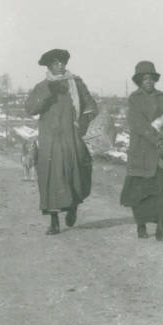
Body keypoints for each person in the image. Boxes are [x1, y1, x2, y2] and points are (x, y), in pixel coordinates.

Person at [25, 49, 98, 235]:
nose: (61, 66)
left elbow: (91, 107)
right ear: (49, 66)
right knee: (51, 177)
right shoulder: (42, 86)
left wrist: (81, 125)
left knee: (77, 171)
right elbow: (31, 108)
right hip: (49, 139)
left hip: (71, 136)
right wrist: (50, 91)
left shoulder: (76, 84)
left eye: (63, 62)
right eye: (56, 63)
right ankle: (54, 220)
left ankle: (73, 207)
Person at [119, 61, 163, 239]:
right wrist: (157, 139)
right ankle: (141, 226)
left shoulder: (162, 98)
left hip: (159, 153)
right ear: (139, 81)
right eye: (144, 78)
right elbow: (138, 124)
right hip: (141, 150)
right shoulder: (134, 99)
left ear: (155, 80)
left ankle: (161, 229)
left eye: (151, 78)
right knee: (139, 192)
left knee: (160, 191)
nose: (148, 81)